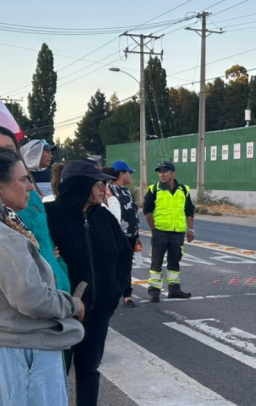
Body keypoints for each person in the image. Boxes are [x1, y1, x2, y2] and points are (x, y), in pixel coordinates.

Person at [44, 159, 133, 406]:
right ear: (81, 185)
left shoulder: (103, 216)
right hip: (62, 315)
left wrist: (116, 286)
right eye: (98, 184)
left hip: (98, 313)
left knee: (90, 371)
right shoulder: (51, 216)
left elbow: (124, 252)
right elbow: (36, 251)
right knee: (55, 376)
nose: (104, 189)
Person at [0, 149, 85, 406]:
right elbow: (30, 297)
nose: (29, 186)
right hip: (25, 350)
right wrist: (71, 304)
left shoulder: (9, 223)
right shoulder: (5, 237)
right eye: (22, 179)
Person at [0, 127, 70, 292]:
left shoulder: (31, 194)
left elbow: (46, 236)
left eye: (9, 151)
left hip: (55, 288)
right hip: (28, 301)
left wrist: (58, 265)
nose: (4, 159)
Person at [144, 161, 196, 301]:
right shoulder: (153, 189)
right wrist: (154, 229)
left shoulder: (184, 190)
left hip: (177, 232)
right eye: (159, 171)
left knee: (175, 261)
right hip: (160, 231)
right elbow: (147, 211)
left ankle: (174, 289)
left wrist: (190, 229)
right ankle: (154, 291)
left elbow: (189, 211)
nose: (161, 174)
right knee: (156, 262)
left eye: (164, 171)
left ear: (172, 173)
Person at [109, 161, 142, 306]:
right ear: (122, 174)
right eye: (128, 173)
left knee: (127, 266)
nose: (130, 176)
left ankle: (127, 295)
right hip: (117, 235)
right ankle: (110, 293)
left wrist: (137, 235)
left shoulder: (127, 191)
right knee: (113, 265)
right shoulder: (108, 190)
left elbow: (133, 212)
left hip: (131, 235)